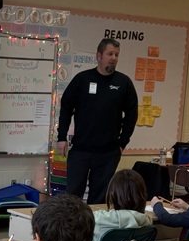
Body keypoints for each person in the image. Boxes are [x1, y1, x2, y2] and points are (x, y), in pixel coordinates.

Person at [56, 38, 138, 204]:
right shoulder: (82, 79)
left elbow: (132, 114)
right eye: (110, 54)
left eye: (116, 54)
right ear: (99, 56)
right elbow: (66, 107)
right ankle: (72, 229)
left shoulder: (124, 83)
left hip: (108, 153)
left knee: (100, 199)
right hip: (81, 149)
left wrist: (123, 142)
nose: (113, 58)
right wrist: (62, 137)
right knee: (72, 197)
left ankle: (95, 229)